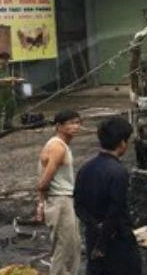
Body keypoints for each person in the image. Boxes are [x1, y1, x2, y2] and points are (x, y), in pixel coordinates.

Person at [74, 116, 142, 275]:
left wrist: (94, 226)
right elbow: (115, 210)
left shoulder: (85, 168)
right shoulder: (118, 172)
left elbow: (78, 205)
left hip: (92, 236)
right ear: (122, 143)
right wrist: (102, 244)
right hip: (116, 240)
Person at [36, 110, 82, 275]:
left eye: (78, 122)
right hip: (60, 200)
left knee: (72, 245)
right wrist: (41, 204)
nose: (76, 126)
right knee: (65, 247)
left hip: (63, 199)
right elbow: (43, 182)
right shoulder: (57, 147)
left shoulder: (61, 145)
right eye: (71, 123)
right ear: (59, 126)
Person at [0, 52, 21, 130]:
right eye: (6, 60)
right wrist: (8, 80)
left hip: (8, 90)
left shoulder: (6, 68)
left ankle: (8, 124)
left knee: (11, 106)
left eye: (7, 60)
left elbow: (8, 78)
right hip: (1, 91)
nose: (7, 62)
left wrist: (14, 81)